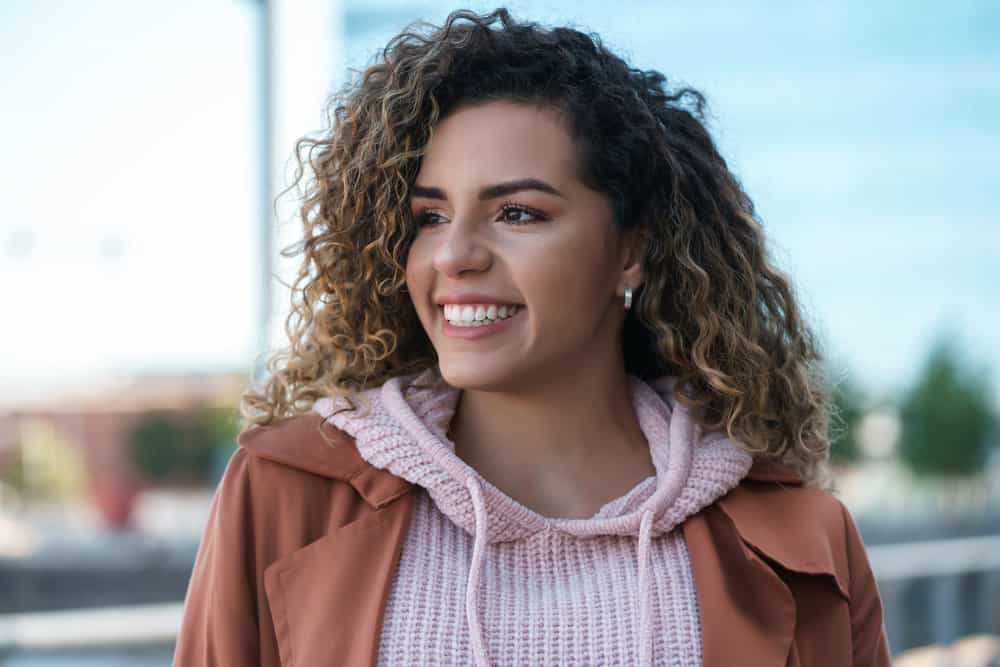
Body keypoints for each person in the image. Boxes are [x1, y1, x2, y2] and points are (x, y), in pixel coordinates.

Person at [173, 7, 890, 666]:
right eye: (429, 217)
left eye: (516, 213)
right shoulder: (281, 496)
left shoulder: (806, 543)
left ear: (631, 249)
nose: (454, 253)